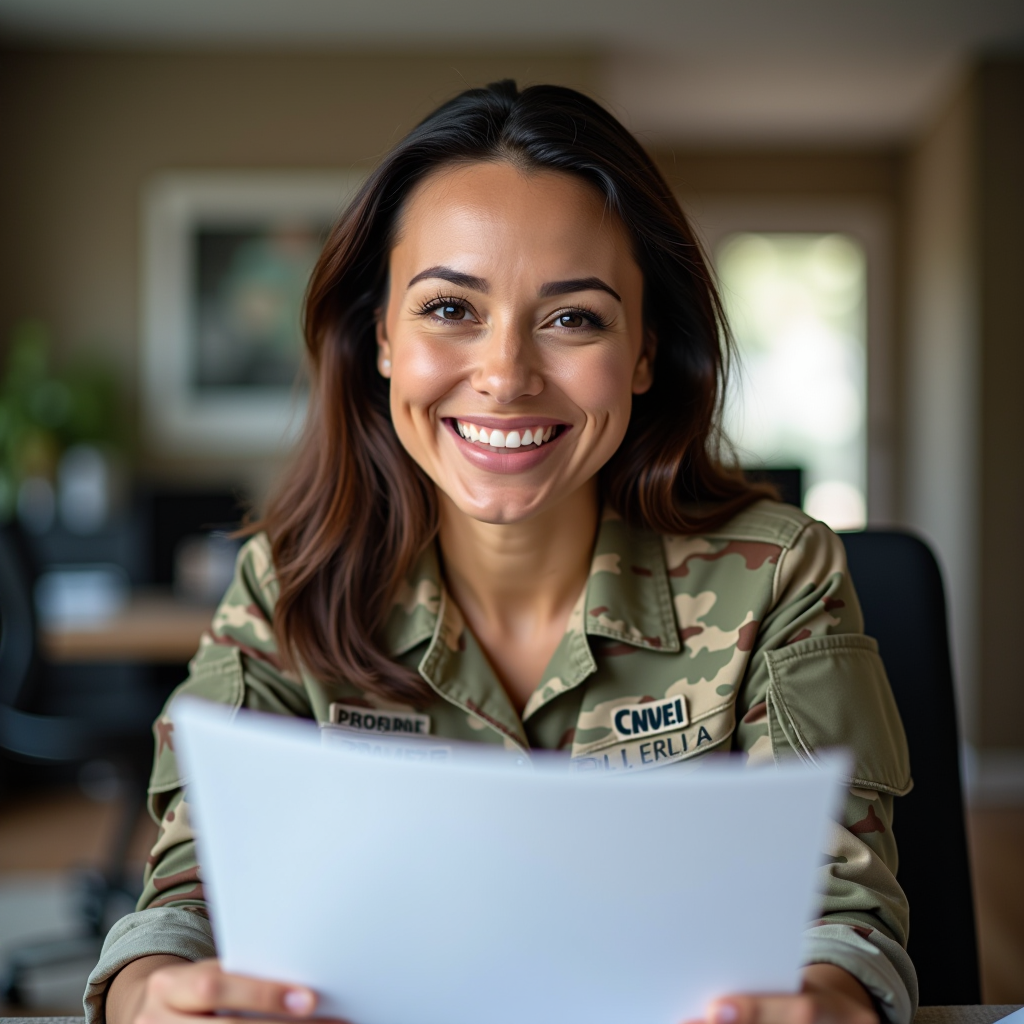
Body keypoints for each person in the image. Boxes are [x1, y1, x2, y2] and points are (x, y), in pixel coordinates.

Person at [88, 81, 914, 1024]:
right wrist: (149, 995)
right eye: (450, 308)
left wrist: (828, 1002)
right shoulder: (289, 587)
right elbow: (187, 897)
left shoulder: (780, 576)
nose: (506, 376)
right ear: (382, 338)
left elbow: (840, 916)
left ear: (644, 352)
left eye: (574, 319)